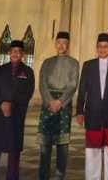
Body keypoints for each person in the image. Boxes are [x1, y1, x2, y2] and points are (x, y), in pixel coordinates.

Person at [76, 33, 108, 180]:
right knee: (92, 152)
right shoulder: (88, 65)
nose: (102, 49)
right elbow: (82, 90)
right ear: (96, 48)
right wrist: (80, 112)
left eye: (105, 47)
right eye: (100, 46)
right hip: (92, 115)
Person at [0, 40, 35, 180]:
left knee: (14, 153)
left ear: (23, 54)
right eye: (13, 51)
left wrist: (11, 106)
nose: (16, 54)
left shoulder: (28, 72)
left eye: (19, 52)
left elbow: (28, 93)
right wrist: (2, 103)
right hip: (0, 115)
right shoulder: (0, 70)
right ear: (9, 53)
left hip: (16, 116)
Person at [37, 31, 79, 180]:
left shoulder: (74, 63)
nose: (61, 45)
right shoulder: (47, 62)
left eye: (64, 43)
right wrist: (49, 101)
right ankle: (43, 176)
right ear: (55, 44)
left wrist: (60, 102)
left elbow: (73, 85)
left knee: (62, 146)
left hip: (63, 106)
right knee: (45, 145)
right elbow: (42, 84)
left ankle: (60, 176)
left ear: (68, 45)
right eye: (59, 42)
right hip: (47, 105)